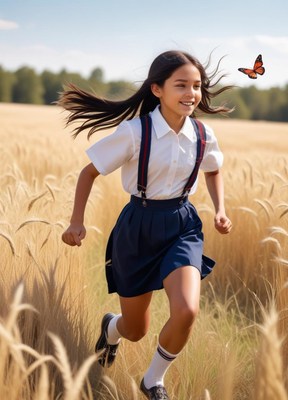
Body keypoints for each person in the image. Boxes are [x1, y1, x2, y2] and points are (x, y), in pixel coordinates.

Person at [59, 50, 233, 400]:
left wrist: (220, 209)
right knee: (136, 329)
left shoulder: (203, 134)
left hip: (183, 226)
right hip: (138, 227)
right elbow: (89, 172)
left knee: (186, 310)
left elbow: (212, 169)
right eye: (181, 84)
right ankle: (112, 328)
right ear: (157, 89)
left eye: (196, 86)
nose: (191, 93)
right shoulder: (135, 132)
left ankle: (153, 380)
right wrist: (76, 222)